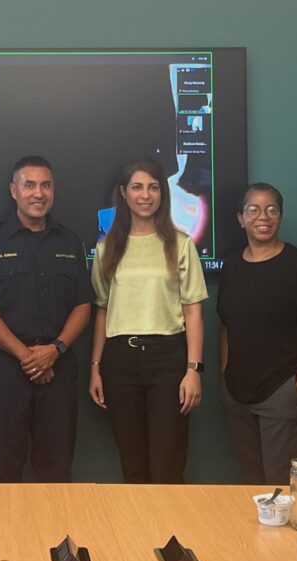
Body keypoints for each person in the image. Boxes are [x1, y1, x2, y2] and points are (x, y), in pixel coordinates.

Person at [0, 156, 93, 482]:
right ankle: (2, 536)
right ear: (13, 190)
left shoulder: (69, 241)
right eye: (29, 184)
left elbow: (83, 305)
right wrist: (28, 357)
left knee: (57, 468)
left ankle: (57, 534)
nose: (38, 193)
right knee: (2, 468)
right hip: (6, 370)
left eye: (45, 185)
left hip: (58, 367)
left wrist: (54, 351)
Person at [89, 158, 208, 484]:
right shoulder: (107, 247)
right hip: (119, 361)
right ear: (124, 194)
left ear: (162, 193)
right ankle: (138, 536)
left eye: (153, 187)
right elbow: (101, 309)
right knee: (133, 465)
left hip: (168, 359)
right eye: (138, 187)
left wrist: (193, 370)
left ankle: (169, 536)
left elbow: (193, 311)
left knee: (166, 466)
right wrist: (95, 367)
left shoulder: (181, 244)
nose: (146, 195)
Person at [216, 183, 297, 485]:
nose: (262, 216)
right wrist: (225, 375)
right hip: (238, 394)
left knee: (282, 485)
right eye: (253, 209)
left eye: (271, 210)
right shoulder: (231, 267)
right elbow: (226, 324)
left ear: (280, 217)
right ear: (241, 218)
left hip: (283, 392)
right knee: (252, 484)